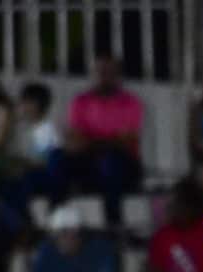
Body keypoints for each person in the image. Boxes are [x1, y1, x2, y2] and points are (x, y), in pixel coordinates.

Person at [58, 52, 144, 224]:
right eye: (100, 72)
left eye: (110, 72)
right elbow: (75, 140)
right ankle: (58, 219)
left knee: (111, 162)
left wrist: (90, 141)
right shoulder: (80, 101)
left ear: (119, 75)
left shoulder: (132, 103)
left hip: (122, 165)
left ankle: (113, 226)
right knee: (57, 158)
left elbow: (126, 142)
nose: (104, 77)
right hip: (89, 162)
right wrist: (109, 141)